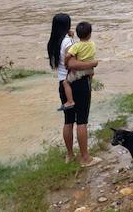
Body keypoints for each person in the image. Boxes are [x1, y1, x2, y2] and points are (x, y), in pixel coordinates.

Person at [47, 13, 100, 167]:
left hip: (63, 84)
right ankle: (85, 158)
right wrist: (93, 64)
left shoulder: (53, 42)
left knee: (68, 121)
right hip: (78, 82)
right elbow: (72, 64)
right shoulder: (68, 42)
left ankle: (70, 155)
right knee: (82, 121)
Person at [59, 21, 96, 111]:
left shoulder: (76, 46)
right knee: (89, 82)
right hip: (90, 70)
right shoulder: (92, 44)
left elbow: (68, 55)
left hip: (80, 71)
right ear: (90, 34)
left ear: (78, 35)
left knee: (65, 82)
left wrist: (65, 62)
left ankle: (70, 101)